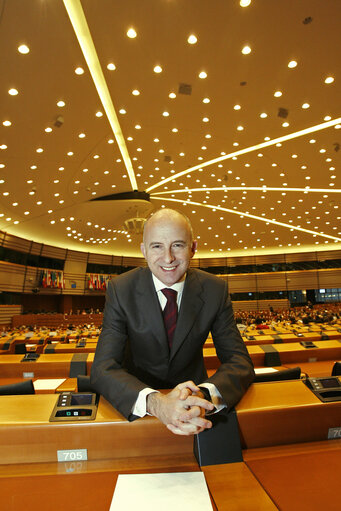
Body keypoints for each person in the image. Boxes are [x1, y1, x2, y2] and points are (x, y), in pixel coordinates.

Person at [91, 208, 254, 435]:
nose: (168, 258)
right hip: (139, 408)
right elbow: (102, 368)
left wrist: (202, 397)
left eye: (177, 245)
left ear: (193, 248)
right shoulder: (120, 289)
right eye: (157, 246)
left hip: (194, 410)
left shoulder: (215, 289)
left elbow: (239, 361)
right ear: (144, 251)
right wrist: (157, 403)